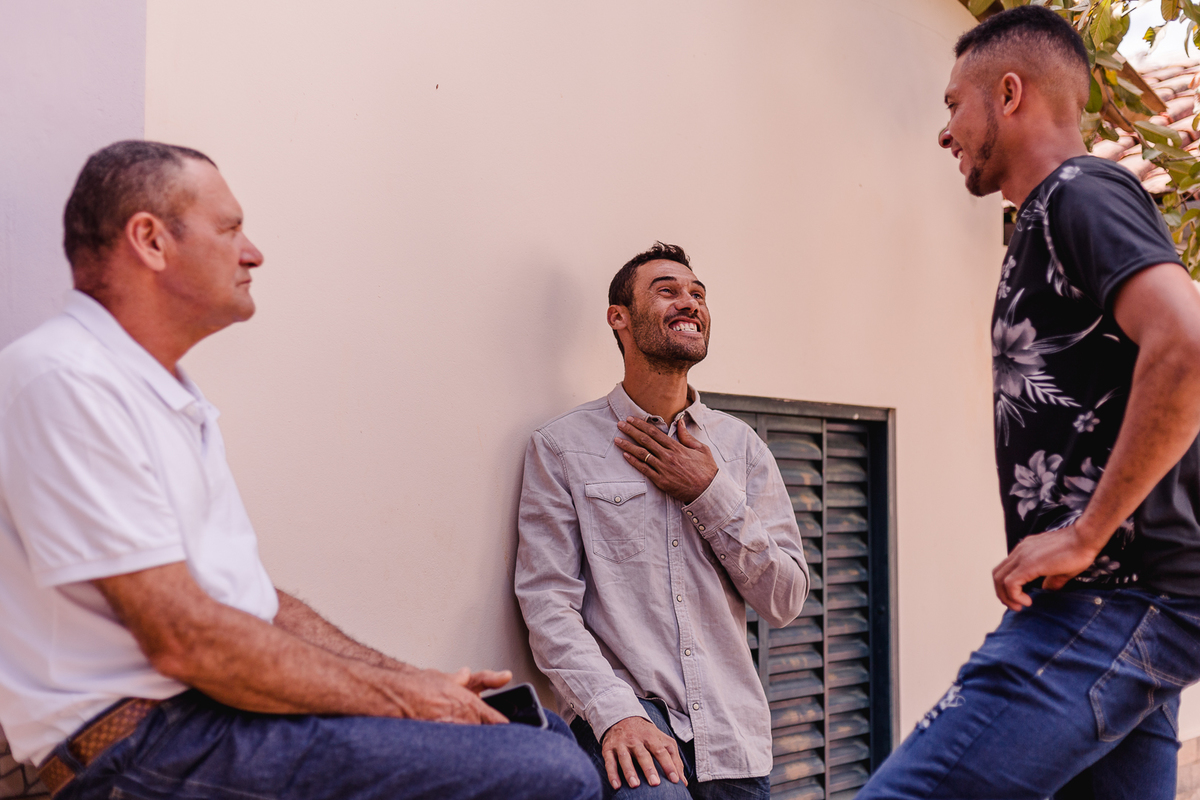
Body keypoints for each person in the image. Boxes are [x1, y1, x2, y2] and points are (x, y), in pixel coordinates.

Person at [0, 140, 601, 800]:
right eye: (229, 229)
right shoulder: (64, 380)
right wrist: (407, 702)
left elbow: (257, 606)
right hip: (140, 744)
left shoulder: (163, 393)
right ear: (150, 240)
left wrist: (420, 682)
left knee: (542, 730)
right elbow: (185, 638)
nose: (253, 253)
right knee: (555, 774)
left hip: (210, 714)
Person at [857, 7, 1200, 800]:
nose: (945, 132)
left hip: (1116, 597)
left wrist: (1085, 534)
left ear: (1009, 94)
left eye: (954, 105)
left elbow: (1185, 348)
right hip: (1132, 600)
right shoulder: (1047, 218)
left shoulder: (1081, 193)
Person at [514, 242, 810, 799]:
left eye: (698, 294)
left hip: (734, 738)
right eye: (667, 291)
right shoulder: (563, 447)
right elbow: (547, 602)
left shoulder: (741, 448)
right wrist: (614, 712)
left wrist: (709, 493)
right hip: (633, 726)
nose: (689, 302)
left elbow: (786, 599)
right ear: (619, 318)